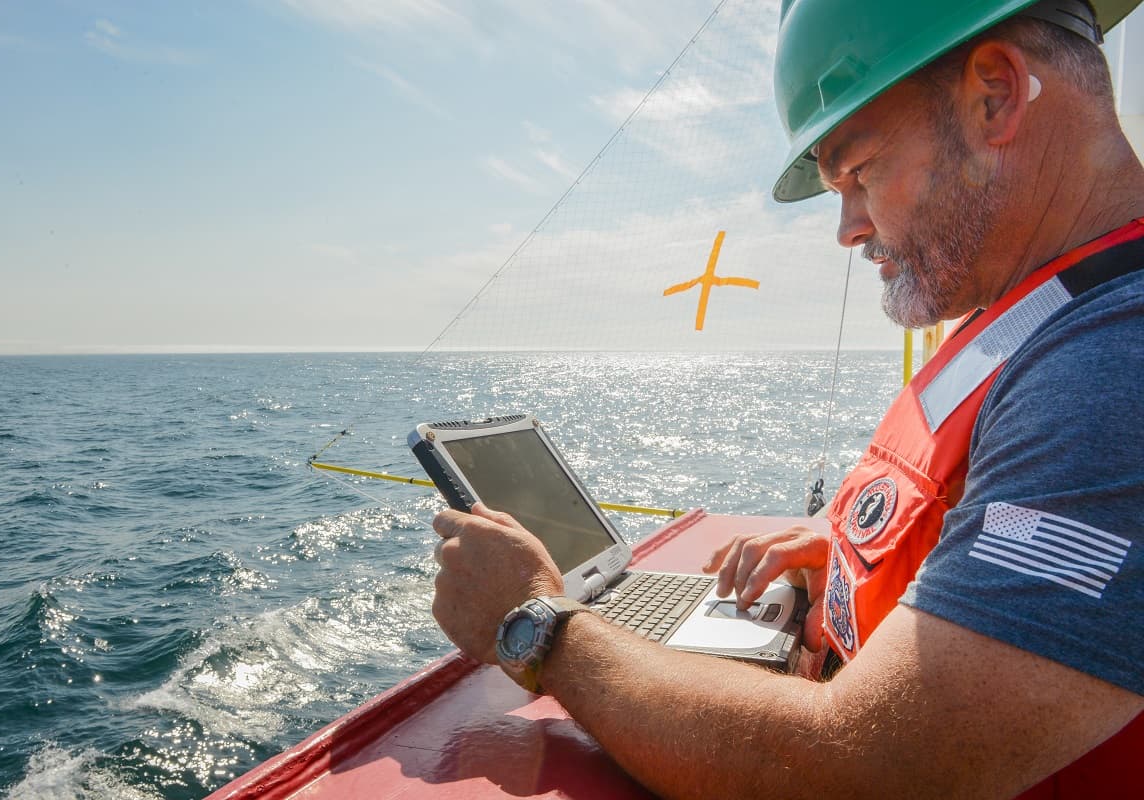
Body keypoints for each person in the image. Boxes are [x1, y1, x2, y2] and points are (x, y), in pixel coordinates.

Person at [431, 0, 1144, 796]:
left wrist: (539, 626)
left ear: (996, 97)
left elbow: (869, 772)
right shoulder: (1041, 315)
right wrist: (845, 560)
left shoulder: (1113, 369)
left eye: (859, 170)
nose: (846, 228)